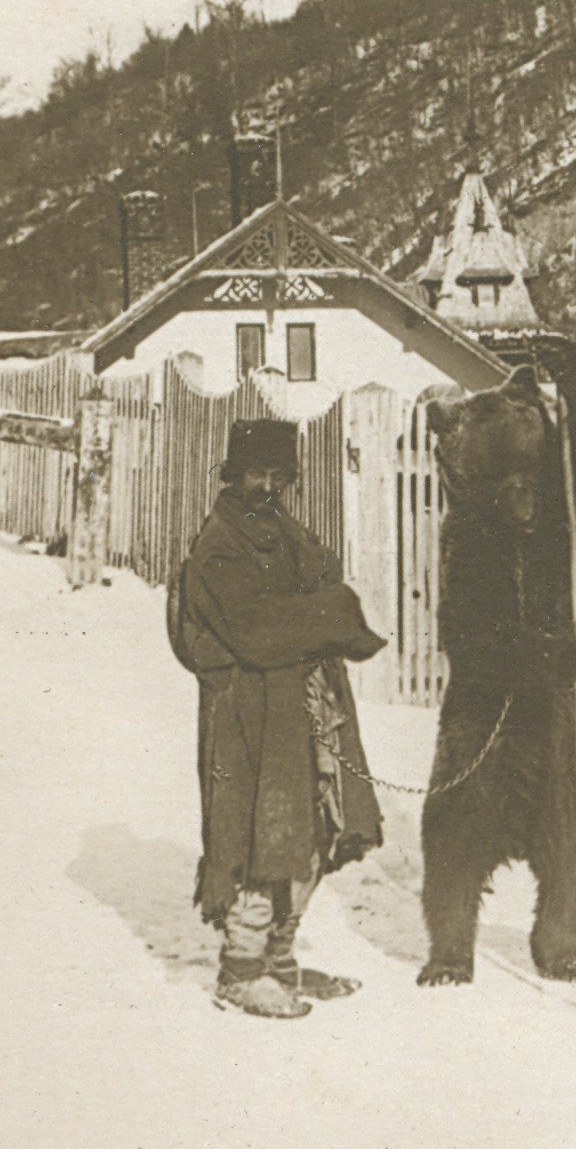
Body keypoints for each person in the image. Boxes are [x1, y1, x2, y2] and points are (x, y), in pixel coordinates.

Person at [169, 418, 390, 1020]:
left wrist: (316, 610)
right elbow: (257, 631)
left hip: (303, 700)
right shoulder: (219, 544)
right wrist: (329, 612)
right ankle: (242, 968)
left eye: (277, 474)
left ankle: (281, 960)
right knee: (262, 835)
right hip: (250, 713)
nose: (266, 484)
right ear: (234, 474)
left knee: (317, 827)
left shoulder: (282, 529)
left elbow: (322, 584)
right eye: (255, 473)